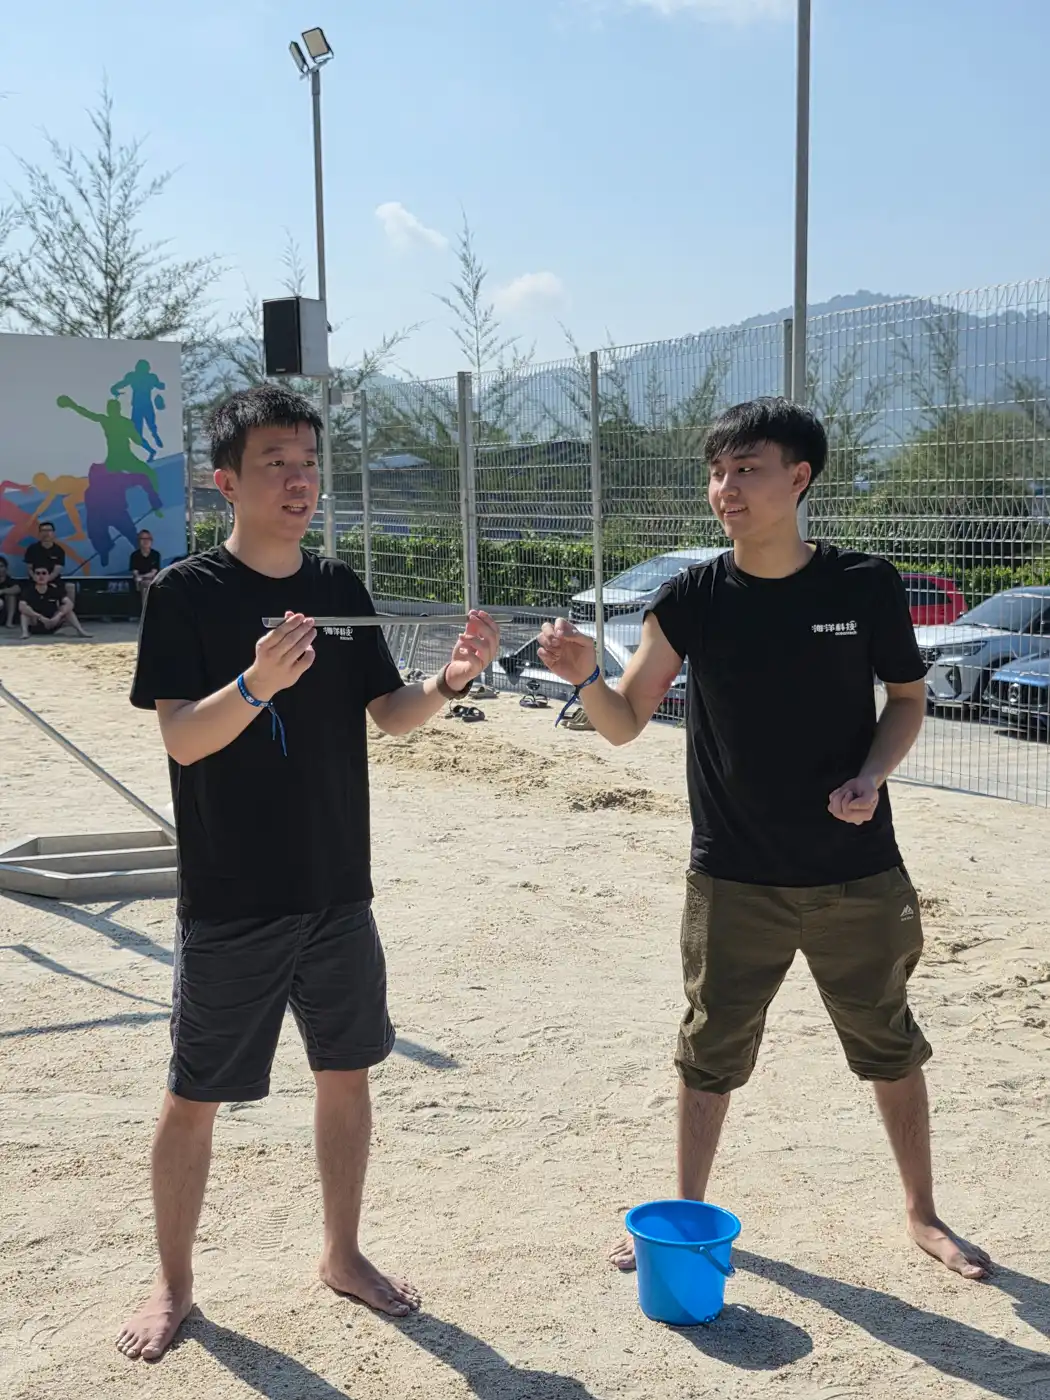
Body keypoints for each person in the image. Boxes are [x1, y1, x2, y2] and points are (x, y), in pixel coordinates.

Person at [538, 396, 991, 1284]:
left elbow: (907, 699)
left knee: (889, 1044)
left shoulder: (863, 584)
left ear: (800, 477)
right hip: (732, 875)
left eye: (747, 469)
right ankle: (685, 1215)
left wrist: (873, 775)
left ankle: (923, 1214)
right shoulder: (692, 599)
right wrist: (587, 675)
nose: (726, 489)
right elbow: (625, 721)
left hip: (856, 871)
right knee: (708, 1052)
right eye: (717, 472)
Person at [119, 384, 500, 1364]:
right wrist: (256, 683)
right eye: (275, 463)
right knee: (194, 1093)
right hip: (232, 897)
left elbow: (391, 713)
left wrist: (450, 680)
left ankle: (341, 1252)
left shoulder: (338, 586)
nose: (298, 481)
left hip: (338, 890)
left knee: (346, 1072)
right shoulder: (185, 594)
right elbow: (183, 739)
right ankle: (174, 1282)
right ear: (226, 482)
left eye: (308, 462)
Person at [18, 563, 90, 639]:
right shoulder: (28, 590)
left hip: (53, 621)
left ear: (48, 576)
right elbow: (21, 606)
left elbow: (69, 604)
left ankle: (80, 631)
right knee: (24, 613)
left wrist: (58, 616)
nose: (41, 576)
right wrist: (40, 617)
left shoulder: (55, 589)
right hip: (36, 622)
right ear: (34, 576)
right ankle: (25, 633)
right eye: (38, 573)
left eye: (44, 573)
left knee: (68, 611)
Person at [129, 528, 161, 608]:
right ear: (139, 541)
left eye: (148, 539)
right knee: (144, 585)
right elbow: (135, 572)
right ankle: (146, 610)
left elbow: (153, 572)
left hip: (152, 580)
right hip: (138, 582)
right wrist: (139, 578)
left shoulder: (155, 554)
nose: (145, 541)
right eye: (142, 539)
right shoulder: (135, 555)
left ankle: (146, 609)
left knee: (147, 584)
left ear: (151, 541)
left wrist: (142, 577)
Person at [0, 556, 22, 626]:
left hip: (5, 611)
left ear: (6, 568)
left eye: (1, 566)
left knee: (11, 595)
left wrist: (2, 591)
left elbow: (17, 588)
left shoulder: (10, 580)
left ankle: (9, 622)